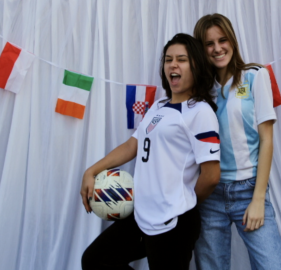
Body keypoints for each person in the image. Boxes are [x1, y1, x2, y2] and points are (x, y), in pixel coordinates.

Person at [80, 33, 221, 270]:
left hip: (174, 221)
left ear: (196, 65)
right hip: (141, 214)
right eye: (168, 59)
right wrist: (92, 171)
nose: (173, 64)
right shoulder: (159, 105)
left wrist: (180, 204)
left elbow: (211, 175)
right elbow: (132, 145)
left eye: (182, 59)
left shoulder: (200, 111)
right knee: (95, 260)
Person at [193, 14, 281, 270]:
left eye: (222, 40)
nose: (217, 48)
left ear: (232, 40)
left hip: (248, 191)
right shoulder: (201, 90)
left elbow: (267, 139)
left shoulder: (255, 76)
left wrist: (258, 198)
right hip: (210, 194)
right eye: (209, 43)